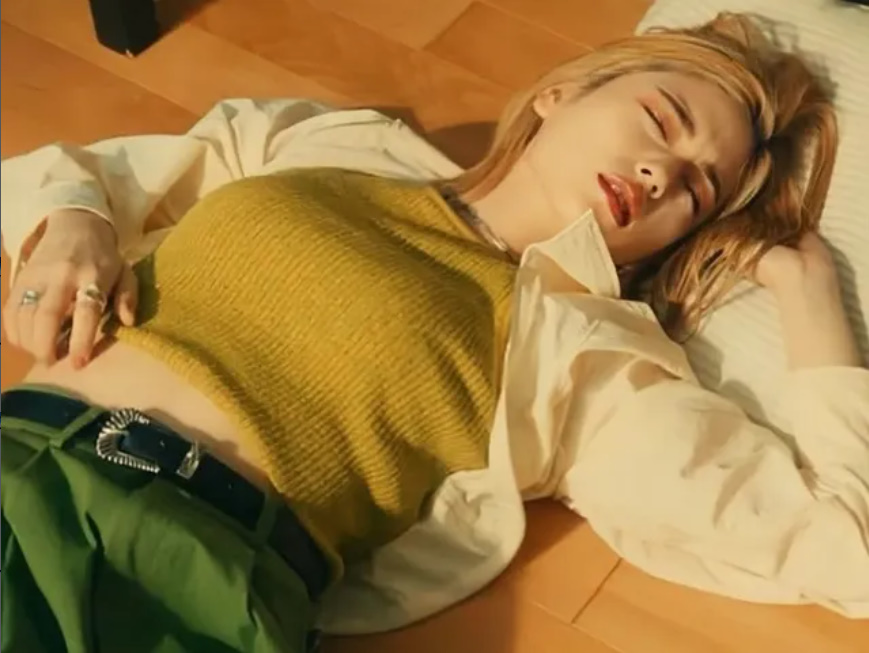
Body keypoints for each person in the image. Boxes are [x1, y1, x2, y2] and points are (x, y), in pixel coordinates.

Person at [1, 11, 867, 653]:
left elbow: (846, 550)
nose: (658, 172)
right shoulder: (336, 143)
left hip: (184, 579)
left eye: (694, 191)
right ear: (563, 91)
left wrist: (808, 289)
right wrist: (75, 222)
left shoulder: (583, 353)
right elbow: (89, 176)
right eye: (661, 120)